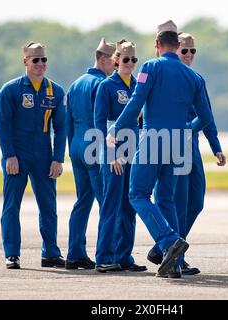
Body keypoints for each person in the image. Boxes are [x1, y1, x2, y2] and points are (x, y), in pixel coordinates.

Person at [107, 20, 213, 278]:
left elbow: (135, 103)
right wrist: (187, 129)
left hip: (154, 137)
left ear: (156, 45)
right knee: (166, 200)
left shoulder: (150, 67)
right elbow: (206, 117)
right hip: (180, 143)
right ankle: (174, 265)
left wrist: (116, 131)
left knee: (138, 194)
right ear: (178, 47)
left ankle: (168, 241)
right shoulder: (193, 76)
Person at [147, 32, 226, 276]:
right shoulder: (162, 75)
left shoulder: (194, 78)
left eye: (193, 51)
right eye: (185, 51)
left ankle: (164, 249)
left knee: (196, 201)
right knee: (176, 201)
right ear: (176, 50)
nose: (189, 55)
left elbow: (207, 116)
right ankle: (174, 257)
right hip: (174, 144)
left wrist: (216, 146)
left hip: (191, 145)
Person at [0, 41, 66, 269]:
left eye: (44, 59)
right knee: (12, 204)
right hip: (18, 151)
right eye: (35, 60)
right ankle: (12, 253)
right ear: (25, 61)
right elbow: (2, 124)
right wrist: (9, 155)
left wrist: (58, 158)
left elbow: (62, 127)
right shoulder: (11, 90)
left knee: (48, 205)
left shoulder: (56, 91)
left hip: (44, 153)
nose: (40, 64)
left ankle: (51, 253)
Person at [93, 40, 147, 273]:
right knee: (111, 205)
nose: (130, 63)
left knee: (129, 205)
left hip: (134, 153)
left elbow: (142, 123)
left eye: (134, 60)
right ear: (115, 60)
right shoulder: (107, 86)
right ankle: (104, 256)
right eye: (126, 59)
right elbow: (100, 124)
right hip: (114, 154)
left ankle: (124, 255)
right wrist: (112, 154)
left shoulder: (138, 86)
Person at [65, 38, 116, 270]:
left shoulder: (75, 84)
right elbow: (102, 121)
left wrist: (71, 148)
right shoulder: (102, 84)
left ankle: (75, 253)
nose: (116, 67)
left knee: (83, 200)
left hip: (76, 145)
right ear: (103, 59)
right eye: (114, 62)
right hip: (95, 146)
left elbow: (68, 122)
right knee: (106, 200)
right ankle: (108, 255)